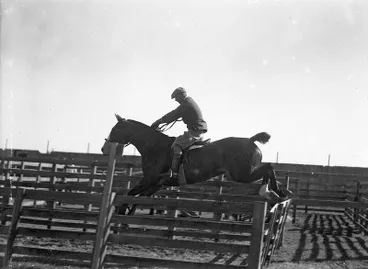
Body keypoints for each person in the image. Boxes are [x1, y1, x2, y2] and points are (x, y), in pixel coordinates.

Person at [151, 87, 207, 185]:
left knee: (176, 145)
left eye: (176, 98)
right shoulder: (189, 102)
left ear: (182, 95)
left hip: (195, 131)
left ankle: (175, 175)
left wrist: (158, 121)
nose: (176, 100)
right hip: (197, 130)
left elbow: (174, 114)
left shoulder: (186, 104)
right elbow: (176, 114)